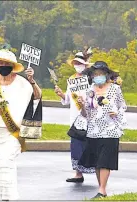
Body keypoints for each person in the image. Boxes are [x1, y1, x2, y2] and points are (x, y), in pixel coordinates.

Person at [0, 47, 42, 201]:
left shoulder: (22, 83)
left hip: (13, 131)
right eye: (0, 62)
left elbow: (37, 96)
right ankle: (0, 195)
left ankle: (9, 197)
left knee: (7, 161)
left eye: (6, 63)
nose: (2, 65)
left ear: (12, 66)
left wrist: (32, 81)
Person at [77, 61, 127, 199]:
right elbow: (85, 114)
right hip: (93, 130)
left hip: (110, 130)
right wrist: (81, 105)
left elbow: (123, 106)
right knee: (97, 162)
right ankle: (101, 189)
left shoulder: (115, 89)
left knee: (105, 161)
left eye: (100, 73)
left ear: (106, 74)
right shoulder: (90, 90)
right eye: (95, 74)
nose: (98, 76)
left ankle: (102, 189)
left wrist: (116, 112)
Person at [54, 51, 95, 183]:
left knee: (89, 143)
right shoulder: (71, 80)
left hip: (88, 114)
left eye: (80, 63)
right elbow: (67, 99)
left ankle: (95, 170)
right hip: (75, 116)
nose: (78, 65)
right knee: (76, 144)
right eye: (76, 63)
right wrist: (61, 94)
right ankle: (78, 173)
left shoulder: (90, 78)